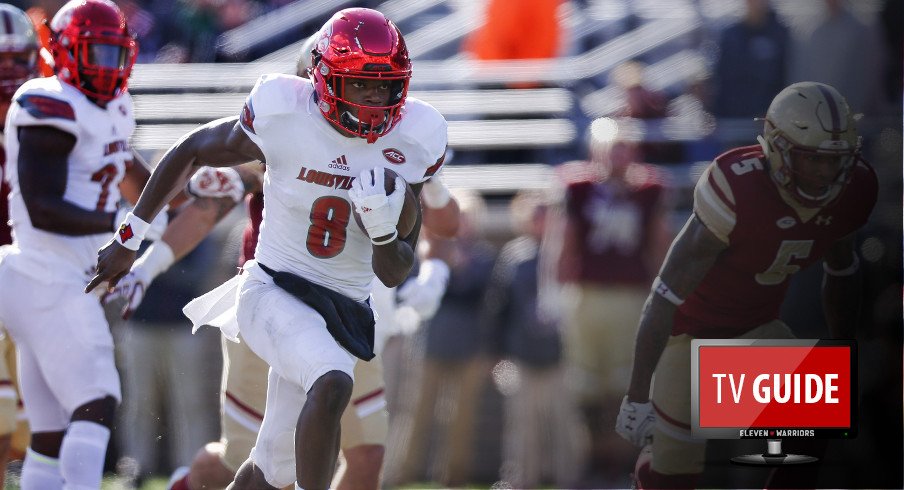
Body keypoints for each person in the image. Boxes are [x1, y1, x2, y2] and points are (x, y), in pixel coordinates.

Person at [88, 8, 448, 490]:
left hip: (345, 311)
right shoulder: (285, 114)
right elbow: (195, 147)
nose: (373, 99)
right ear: (321, 78)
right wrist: (131, 240)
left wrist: (383, 232)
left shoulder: (412, 140)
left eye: (383, 86)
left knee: (268, 472)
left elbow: (393, 269)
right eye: (359, 84)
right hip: (273, 289)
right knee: (332, 381)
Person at [615, 81, 878, 489]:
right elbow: (664, 296)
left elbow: (842, 269)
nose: (826, 173)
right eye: (812, 159)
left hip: (756, 330)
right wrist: (636, 395)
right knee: (672, 478)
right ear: (778, 148)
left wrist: (843, 349)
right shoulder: (738, 188)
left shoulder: (854, 190)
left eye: (835, 160)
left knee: (823, 402)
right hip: (688, 336)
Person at [0, 1, 168, 488]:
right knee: (97, 399)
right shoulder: (44, 102)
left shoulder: (115, 104)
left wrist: (178, 190)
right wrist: (126, 231)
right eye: (94, 52)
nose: (105, 66)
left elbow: (129, 172)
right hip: (45, 274)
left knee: (49, 432)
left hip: (64, 278)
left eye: (115, 54)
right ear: (62, 49)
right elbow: (42, 207)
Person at [549, 117, 671, 487]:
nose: (617, 156)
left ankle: (622, 459)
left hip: (630, 295)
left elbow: (658, 243)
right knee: (585, 380)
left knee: (625, 380)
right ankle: (593, 454)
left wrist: (664, 295)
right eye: (611, 146)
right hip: (587, 293)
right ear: (596, 149)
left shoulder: (649, 189)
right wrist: (554, 290)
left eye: (623, 147)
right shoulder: (578, 186)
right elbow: (563, 239)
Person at [481, 190, 583, 489]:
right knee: (521, 425)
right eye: (534, 214)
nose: (540, 220)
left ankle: (568, 477)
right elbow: (498, 306)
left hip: (561, 354)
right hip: (522, 354)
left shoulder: (569, 253)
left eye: (545, 212)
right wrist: (496, 352)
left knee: (565, 424)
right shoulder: (514, 256)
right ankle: (521, 478)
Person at [0, 4, 41, 485]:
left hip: (36, 287)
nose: (9, 75)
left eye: (17, 61)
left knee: (35, 433)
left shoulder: (48, 115)